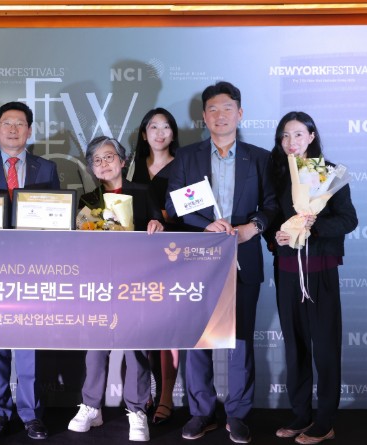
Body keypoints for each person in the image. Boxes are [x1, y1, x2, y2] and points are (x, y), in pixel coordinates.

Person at [165, 81, 277, 444]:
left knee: (239, 340)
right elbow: (174, 204)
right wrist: (205, 225)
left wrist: (251, 228)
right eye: (213, 109)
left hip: (244, 256)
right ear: (203, 116)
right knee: (199, 338)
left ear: (239, 113)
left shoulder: (259, 158)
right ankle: (201, 411)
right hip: (199, 258)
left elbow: (272, 205)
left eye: (227, 108)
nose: (220, 115)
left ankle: (238, 414)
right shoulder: (189, 157)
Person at [0, 101, 60, 441]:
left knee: (28, 343)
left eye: (19, 123)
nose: (12, 129)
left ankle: (31, 414)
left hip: (32, 268)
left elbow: (56, 220)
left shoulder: (46, 168)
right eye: (6, 123)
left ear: (29, 130)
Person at [268, 112, 357, 444]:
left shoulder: (328, 173)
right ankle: (301, 413)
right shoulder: (277, 175)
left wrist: (315, 226)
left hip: (320, 269)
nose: (291, 142)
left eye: (297, 134)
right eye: (285, 136)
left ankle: (325, 420)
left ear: (311, 136)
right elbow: (270, 218)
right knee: (295, 346)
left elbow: (349, 219)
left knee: (325, 347)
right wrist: (276, 236)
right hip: (287, 271)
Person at [68, 136, 163, 442]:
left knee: (136, 349)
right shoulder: (87, 201)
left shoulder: (143, 192)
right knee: (96, 347)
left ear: (123, 161)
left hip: (137, 283)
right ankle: (91, 406)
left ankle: (136, 409)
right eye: (97, 160)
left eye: (109, 157)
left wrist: (157, 225)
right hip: (100, 284)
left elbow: (159, 228)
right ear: (92, 169)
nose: (104, 164)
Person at [129, 108, 180, 425]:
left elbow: (192, 210)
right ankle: (143, 392)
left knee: (169, 330)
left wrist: (157, 215)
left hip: (173, 254)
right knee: (143, 328)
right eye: (153, 127)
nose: (159, 133)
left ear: (173, 133)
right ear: (143, 133)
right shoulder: (132, 167)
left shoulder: (185, 164)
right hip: (139, 256)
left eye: (166, 127)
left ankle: (166, 396)